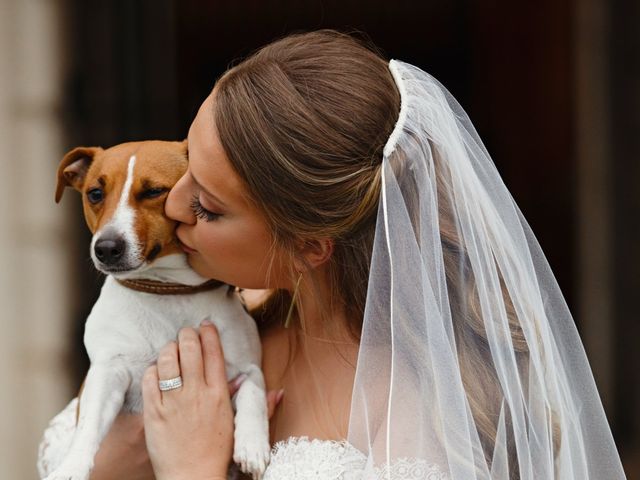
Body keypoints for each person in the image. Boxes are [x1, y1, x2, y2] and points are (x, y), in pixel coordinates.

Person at [38, 29, 626, 479]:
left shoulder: (420, 421)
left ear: (310, 245)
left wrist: (190, 467)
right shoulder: (220, 319)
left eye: (208, 207)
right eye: (187, 166)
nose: (171, 209)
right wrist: (130, 450)